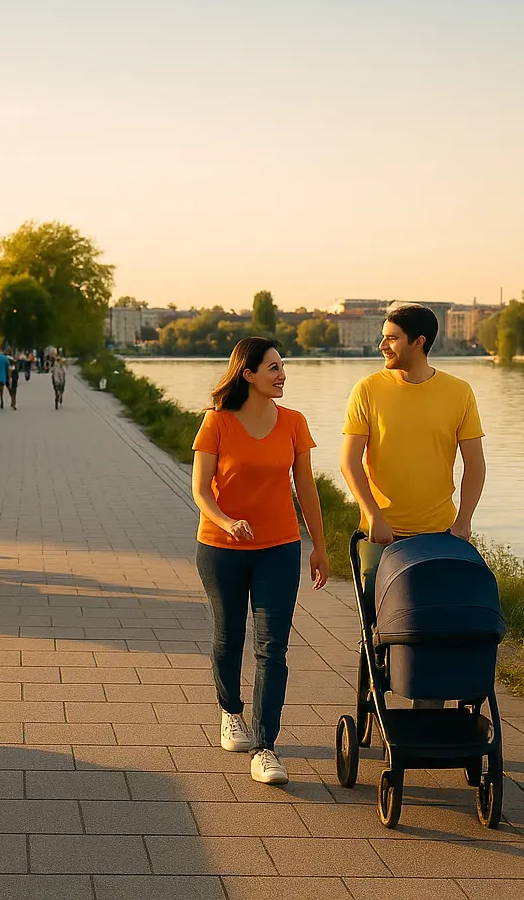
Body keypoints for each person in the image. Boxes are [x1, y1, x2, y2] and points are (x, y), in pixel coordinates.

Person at [191, 337, 327, 786]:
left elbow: (306, 489)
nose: (282, 373)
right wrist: (227, 521)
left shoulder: (294, 423)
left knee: (273, 647)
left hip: (280, 548)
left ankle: (266, 747)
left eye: (283, 365)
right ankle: (231, 713)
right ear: (247, 374)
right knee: (228, 638)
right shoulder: (216, 423)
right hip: (221, 548)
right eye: (273, 367)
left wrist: (319, 546)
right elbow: (200, 491)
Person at [339, 303, 486, 708]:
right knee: (381, 628)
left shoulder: (459, 392)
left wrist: (463, 521)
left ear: (418, 342)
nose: (382, 343)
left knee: (438, 627)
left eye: (391, 337)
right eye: (384, 336)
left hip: (440, 535)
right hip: (383, 536)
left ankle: (430, 715)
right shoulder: (368, 390)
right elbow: (349, 462)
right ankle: (383, 693)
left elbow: (475, 465)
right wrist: (373, 514)